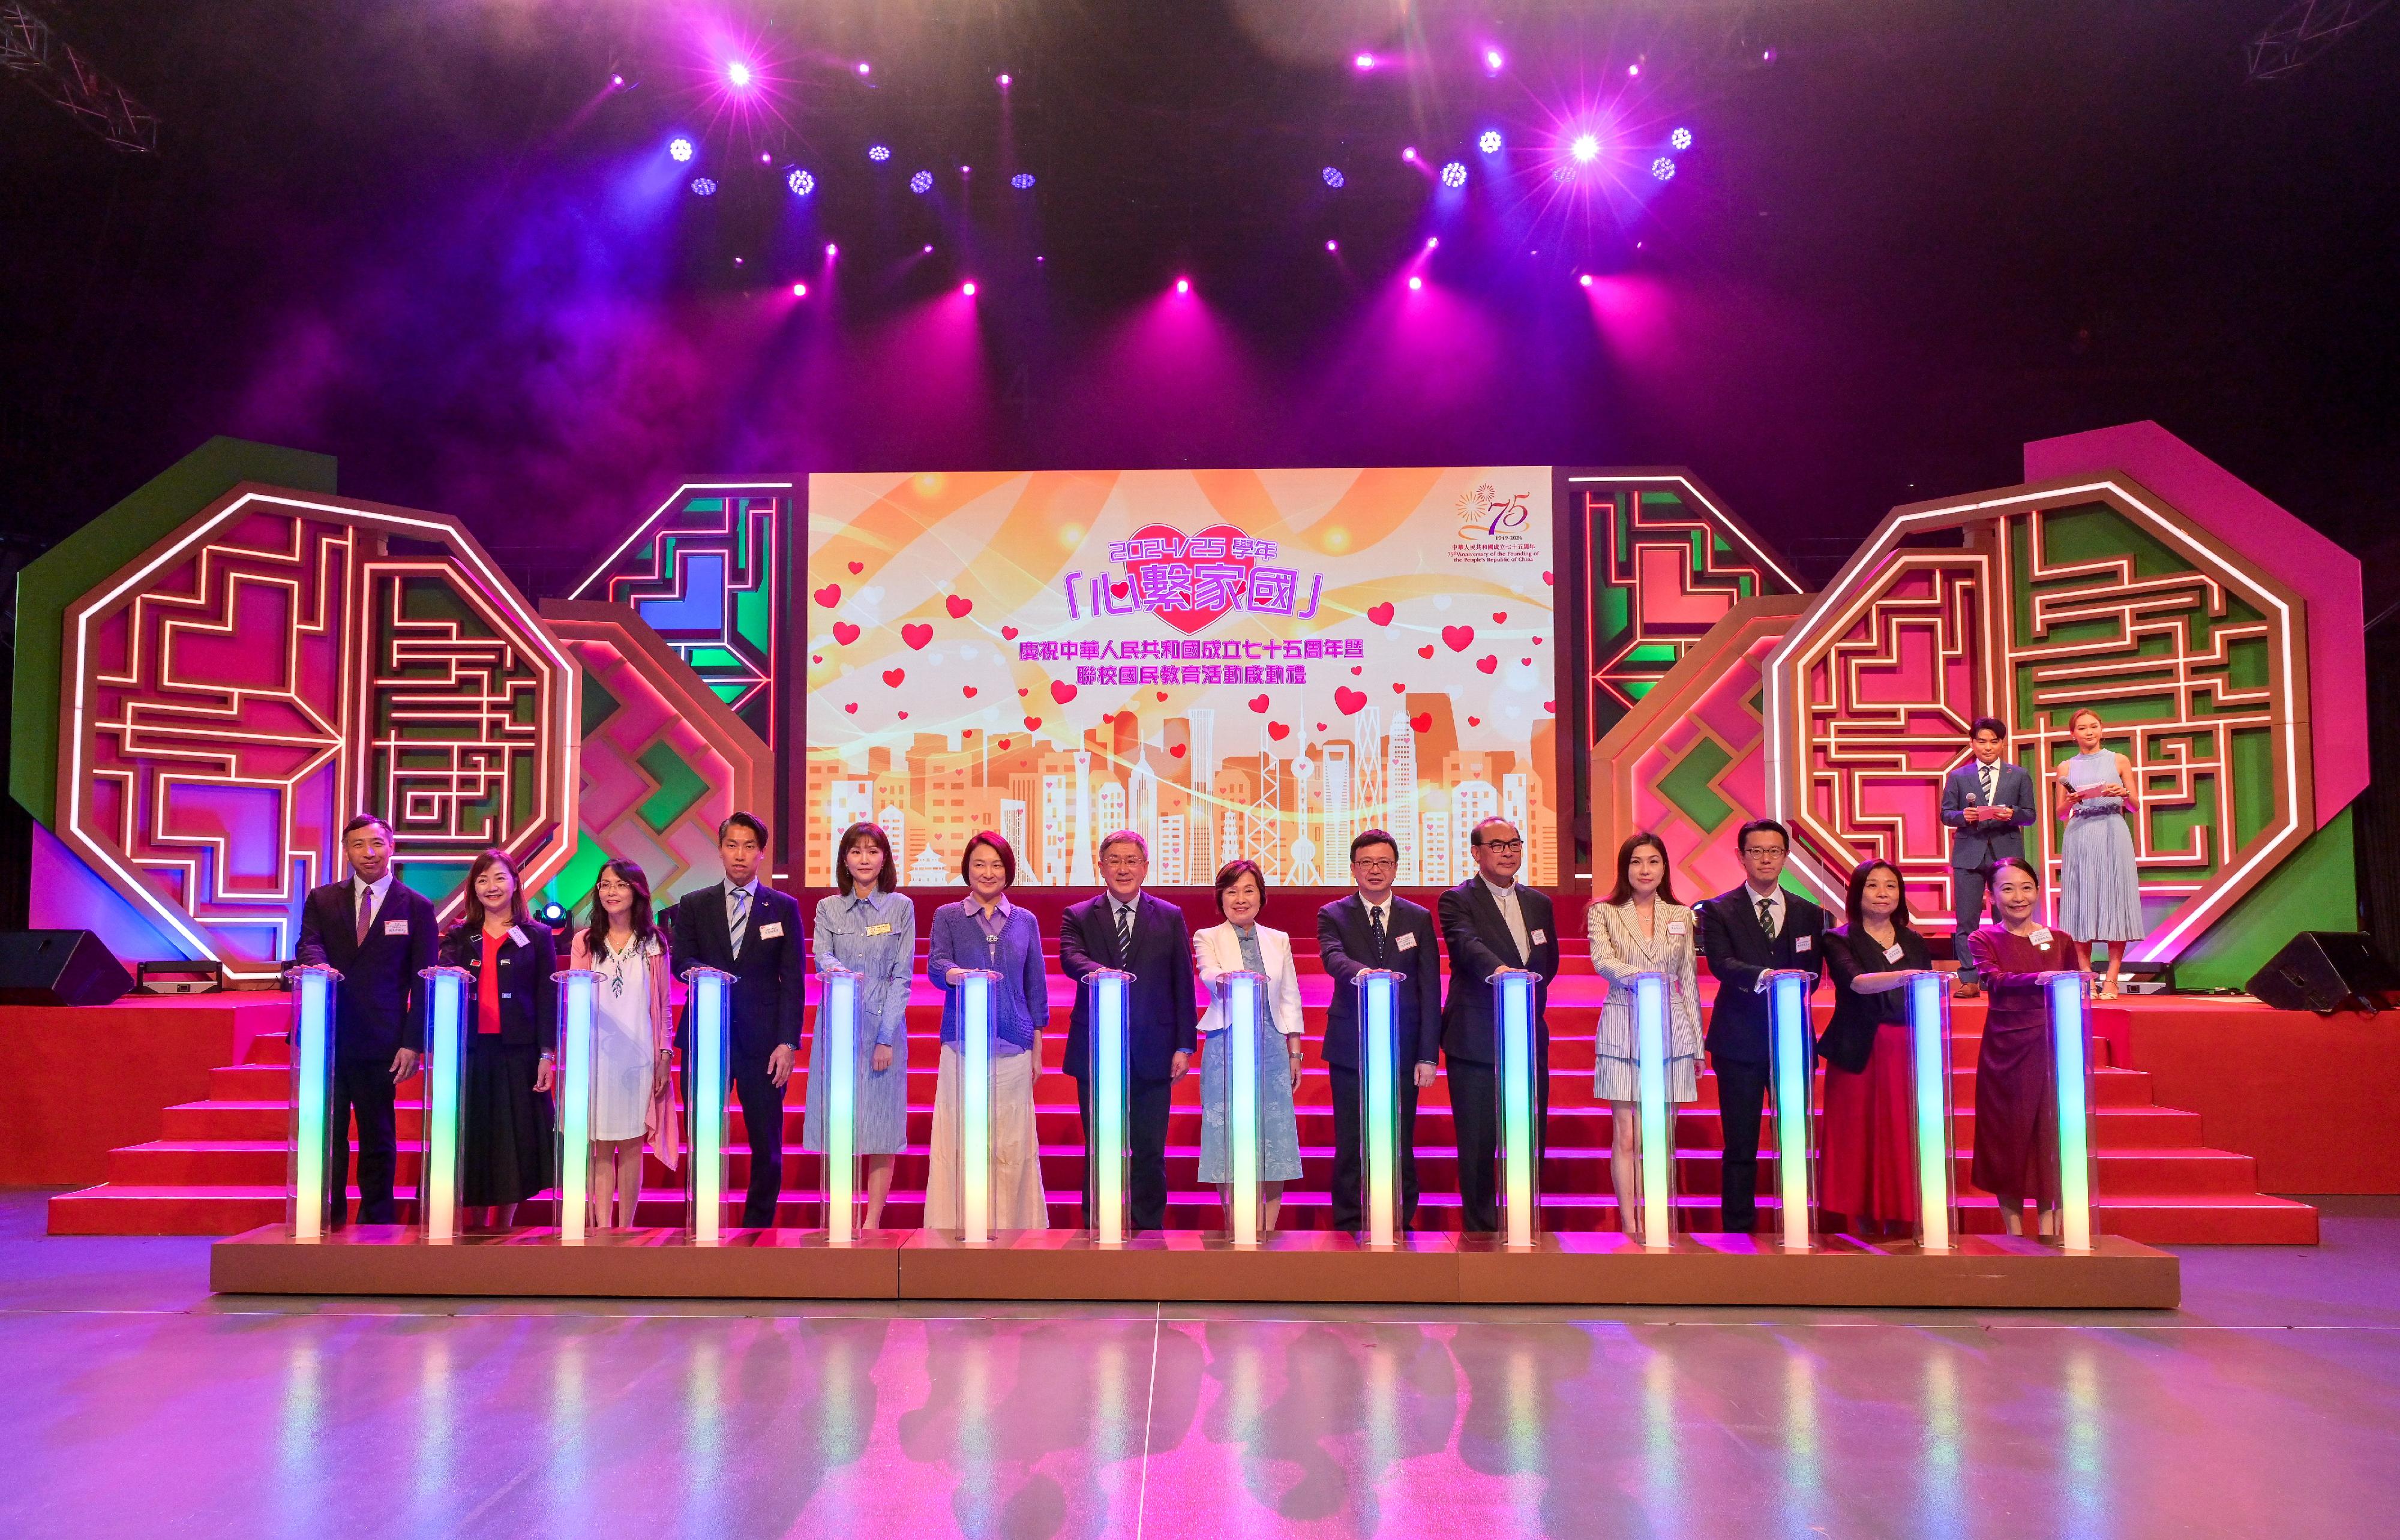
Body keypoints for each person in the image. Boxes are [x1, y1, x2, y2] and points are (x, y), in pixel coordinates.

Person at [662, 813, 806, 1229]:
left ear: (761, 852)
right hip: (707, 1034)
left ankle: (756, 1228)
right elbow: (681, 960)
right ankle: (704, 1220)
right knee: (703, 1134)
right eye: (732, 845)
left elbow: (793, 981)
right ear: (720, 848)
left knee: (767, 1142)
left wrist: (787, 1042)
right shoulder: (694, 903)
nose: (739, 854)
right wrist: (701, 974)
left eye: (748, 846)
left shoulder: (783, 907)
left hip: (764, 1045)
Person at [294, 813, 437, 1227]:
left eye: (376, 843)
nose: (368, 852)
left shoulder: (416, 906)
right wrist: (319, 966)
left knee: (378, 1135)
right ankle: (325, 1218)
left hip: (384, 1041)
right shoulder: (322, 898)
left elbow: (424, 980)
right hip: (328, 1032)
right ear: (346, 850)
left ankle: (376, 1221)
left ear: (391, 846)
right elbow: (309, 942)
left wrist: (414, 1043)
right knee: (327, 1134)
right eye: (359, 844)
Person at [1696, 818, 1828, 1235]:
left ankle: (1796, 1222)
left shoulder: (1810, 913)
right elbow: (1722, 964)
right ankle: (1738, 1229)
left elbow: (1813, 971)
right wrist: (1771, 976)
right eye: (1757, 851)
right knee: (1740, 1142)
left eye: (1774, 851)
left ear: (1785, 857)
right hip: (1738, 1041)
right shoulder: (1718, 910)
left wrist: (1790, 981)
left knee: (1793, 1136)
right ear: (1741, 856)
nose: (1766, 858)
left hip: (1792, 1039)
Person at [1060, 830, 1197, 1232]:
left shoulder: (1169, 916)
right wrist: (1098, 973)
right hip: (1096, 1050)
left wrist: (1184, 1044)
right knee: (1100, 1148)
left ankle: (1149, 1230)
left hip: (1153, 1052)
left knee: (1150, 1150)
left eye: (1131, 860)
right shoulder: (1080, 914)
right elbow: (1070, 957)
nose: (1123, 868)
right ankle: (1097, 1229)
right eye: (1114, 860)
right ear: (1101, 866)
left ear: (1145, 866)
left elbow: (1182, 984)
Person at [1439, 817, 1562, 1235]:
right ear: (1477, 853)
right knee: (1477, 1144)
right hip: (1476, 1036)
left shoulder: (1539, 902)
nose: (1508, 851)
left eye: (1514, 843)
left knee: (1530, 1135)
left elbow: (1551, 962)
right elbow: (1466, 945)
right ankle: (1479, 1233)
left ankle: (1525, 1225)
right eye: (1497, 845)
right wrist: (1504, 972)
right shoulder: (1457, 900)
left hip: (1528, 1034)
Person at [1316, 828, 1442, 1233]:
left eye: (1383, 862)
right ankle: (1350, 1221)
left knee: (1399, 1137)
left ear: (1395, 868)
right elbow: (1333, 957)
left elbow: (1429, 987)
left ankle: (1399, 1219)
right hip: (1351, 1044)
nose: (1375, 870)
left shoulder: (1418, 917)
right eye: (1367, 862)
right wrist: (1363, 974)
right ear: (1353, 868)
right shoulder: (1332, 914)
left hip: (1403, 1047)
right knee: (1351, 1139)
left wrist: (1427, 1054)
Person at [925, 831, 1050, 1230]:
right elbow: (936, 963)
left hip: (1013, 1045)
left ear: (1008, 871)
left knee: (1011, 1143)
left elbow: (1036, 988)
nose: (987, 872)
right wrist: (958, 974)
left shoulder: (1025, 920)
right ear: (967, 869)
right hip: (963, 1044)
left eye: (996, 864)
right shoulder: (948, 915)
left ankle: (1013, 1228)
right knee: (961, 1139)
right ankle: (958, 1226)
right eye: (979, 864)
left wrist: (1038, 1049)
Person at [1585, 831, 1702, 1241]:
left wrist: (1698, 1045)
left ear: (1665, 867)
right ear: (1625, 867)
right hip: (1623, 1023)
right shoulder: (1604, 912)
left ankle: (1656, 1219)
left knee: (1660, 1133)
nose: (1645, 869)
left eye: (1653, 861)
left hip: (1671, 1029)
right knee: (1627, 1132)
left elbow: (1688, 978)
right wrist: (1644, 978)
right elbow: (1603, 960)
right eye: (1637, 862)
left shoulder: (1683, 914)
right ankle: (1629, 1222)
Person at [436, 848, 557, 1230]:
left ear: (515, 883)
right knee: (473, 1137)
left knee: (512, 1140)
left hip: (517, 1053)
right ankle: (472, 1225)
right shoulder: (459, 936)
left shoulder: (536, 935)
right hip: (470, 1052)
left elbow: (546, 996)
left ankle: (503, 1226)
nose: (492, 887)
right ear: (474, 888)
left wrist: (547, 1054)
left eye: (500, 877)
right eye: (483, 879)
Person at [1967, 857, 2087, 1238]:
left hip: (2053, 1048)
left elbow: (2075, 985)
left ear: (2038, 891)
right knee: (2009, 1136)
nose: (2019, 897)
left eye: (2026, 888)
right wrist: (2042, 978)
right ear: (1991, 897)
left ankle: (2052, 1233)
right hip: (2006, 1051)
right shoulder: (1983, 938)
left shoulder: (2061, 940)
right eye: (2007, 889)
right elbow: (1994, 980)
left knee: (2052, 1136)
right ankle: (2014, 1233)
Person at [1820, 859, 1937, 1238]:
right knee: (1857, 1135)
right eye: (1873, 886)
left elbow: (1925, 993)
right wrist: (1906, 976)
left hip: (1905, 1047)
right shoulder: (1839, 938)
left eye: (1891, 886)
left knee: (1902, 1134)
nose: (1883, 893)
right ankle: (1860, 1221)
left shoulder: (1914, 940)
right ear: (1858, 892)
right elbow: (1855, 982)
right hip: (1859, 1049)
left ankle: (1906, 1215)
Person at [805, 822, 913, 1229]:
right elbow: (821, 956)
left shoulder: (901, 906)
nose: (864, 859)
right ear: (844, 860)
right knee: (840, 1121)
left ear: (884, 858)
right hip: (838, 1026)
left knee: (882, 1127)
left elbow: (902, 976)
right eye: (856, 851)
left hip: (883, 1026)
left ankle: (871, 1223)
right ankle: (839, 1215)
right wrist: (840, 971)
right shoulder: (828, 908)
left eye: (872, 851)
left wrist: (886, 1038)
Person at [1193, 860, 1306, 1233]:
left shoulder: (1279, 939)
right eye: (1231, 892)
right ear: (1220, 899)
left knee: (1274, 1140)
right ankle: (1238, 1228)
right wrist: (1225, 979)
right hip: (1226, 1047)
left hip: (1272, 1049)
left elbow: (1289, 996)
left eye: (1248, 891)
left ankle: (1267, 1232)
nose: (1240, 899)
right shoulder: (1207, 936)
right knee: (1229, 1138)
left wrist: (1294, 1051)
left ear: (1261, 896)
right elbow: (1208, 972)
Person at [572, 857, 678, 1230]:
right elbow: (574, 1003)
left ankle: (626, 1228)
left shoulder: (653, 943)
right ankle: (602, 1228)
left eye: (619, 885)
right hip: (597, 1059)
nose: (611, 892)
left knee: (632, 1144)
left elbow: (663, 1006)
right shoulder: (585, 942)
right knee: (600, 1144)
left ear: (636, 891)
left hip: (639, 1058)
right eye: (604, 885)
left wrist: (664, 1055)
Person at [1939, 716, 2038, 999]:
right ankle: (1969, 978)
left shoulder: (2017, 775)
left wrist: (2013, 814)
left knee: (2007, 917)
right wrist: (1963, 816)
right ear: (1972, 744)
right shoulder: (1958, 776)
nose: (1987, 747)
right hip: (1969, 853)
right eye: (1981, 741)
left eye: (1994, 742)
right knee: (1966, 921)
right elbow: (1946, 815)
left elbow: (2030, 815)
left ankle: (2003, 976)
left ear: (2002, 744)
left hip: (2006, 854)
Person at [2055, 706, 2143, 999]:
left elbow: (2135, 805)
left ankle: (2112, 980)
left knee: (2114, 902)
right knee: (2082, 905)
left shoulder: (2119, 760)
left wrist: (2124, 794)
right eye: (2082, 728)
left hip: (2112, 831)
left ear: (2102, 729)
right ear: (2073, 734)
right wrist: (2071, 801)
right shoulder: (2066, 768)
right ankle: (2086, 979)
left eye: (2093, 726)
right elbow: (2060, 814)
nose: (2089, 732)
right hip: (2080, 834)